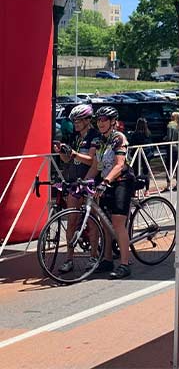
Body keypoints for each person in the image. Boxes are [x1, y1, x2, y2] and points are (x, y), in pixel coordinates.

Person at [88, 105, 135, 279]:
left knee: (117, 223)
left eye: (104, 120)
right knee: (104, 222)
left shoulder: (118, 138)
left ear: (113, 122)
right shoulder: (100, 141)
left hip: (121, 181)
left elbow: (119, 164)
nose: (100, 123)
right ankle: (107, 259)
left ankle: (124, 264)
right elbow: (95, 166)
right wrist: (83, 182)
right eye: (98, 120)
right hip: (106, 182)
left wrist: (106, 181)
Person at [53, 103, 100, 274]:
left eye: (79, 120)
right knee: (71, 220)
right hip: (75, 182)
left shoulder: (95, 136)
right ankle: (69, 259)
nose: (76, 123)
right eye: (74, 120)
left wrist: (74, 153)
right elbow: (68, 160)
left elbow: (90, 160)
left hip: (90, 181)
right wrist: (61, 152)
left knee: (92, 221)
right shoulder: (76, 137)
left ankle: (94, 256)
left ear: (88, 120)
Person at [163, 111, 179, 191]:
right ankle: (177, 184)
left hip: (171, 147)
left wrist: (165, 139)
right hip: (178, 147)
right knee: (177, 166)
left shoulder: (171, 124)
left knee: (169, 166)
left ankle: (168, 184)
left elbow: (169, 137)